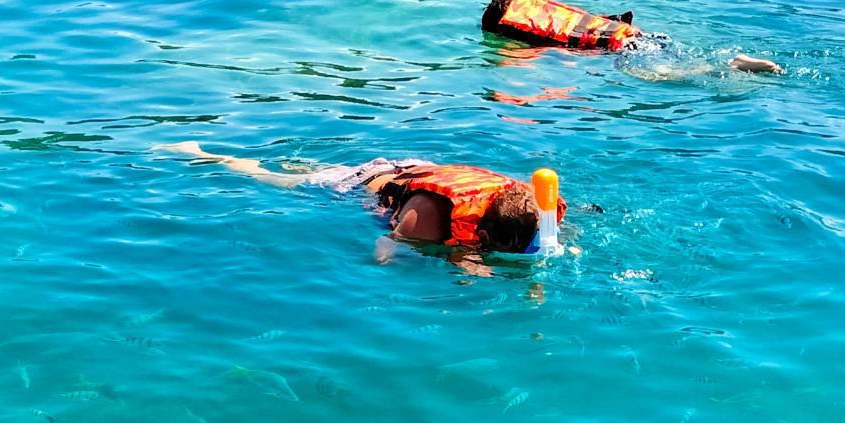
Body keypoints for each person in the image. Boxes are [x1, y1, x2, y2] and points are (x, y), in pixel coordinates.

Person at [167, 143, 568, 256]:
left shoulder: (532, 208)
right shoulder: (428, 217)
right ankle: (206, 155)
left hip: (415, 168)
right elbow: (385, 248)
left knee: (310, 169)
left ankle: (299, 161)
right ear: (482, 234)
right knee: (281, 181)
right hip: (364, 180)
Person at [481, 0, 782, 76]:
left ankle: (730, 66)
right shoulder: (552, 13)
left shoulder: (522, 33)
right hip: (641, 36)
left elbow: (552, 55)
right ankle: (729, 63)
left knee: (666, 75)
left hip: (626, 51)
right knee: (680, 59)